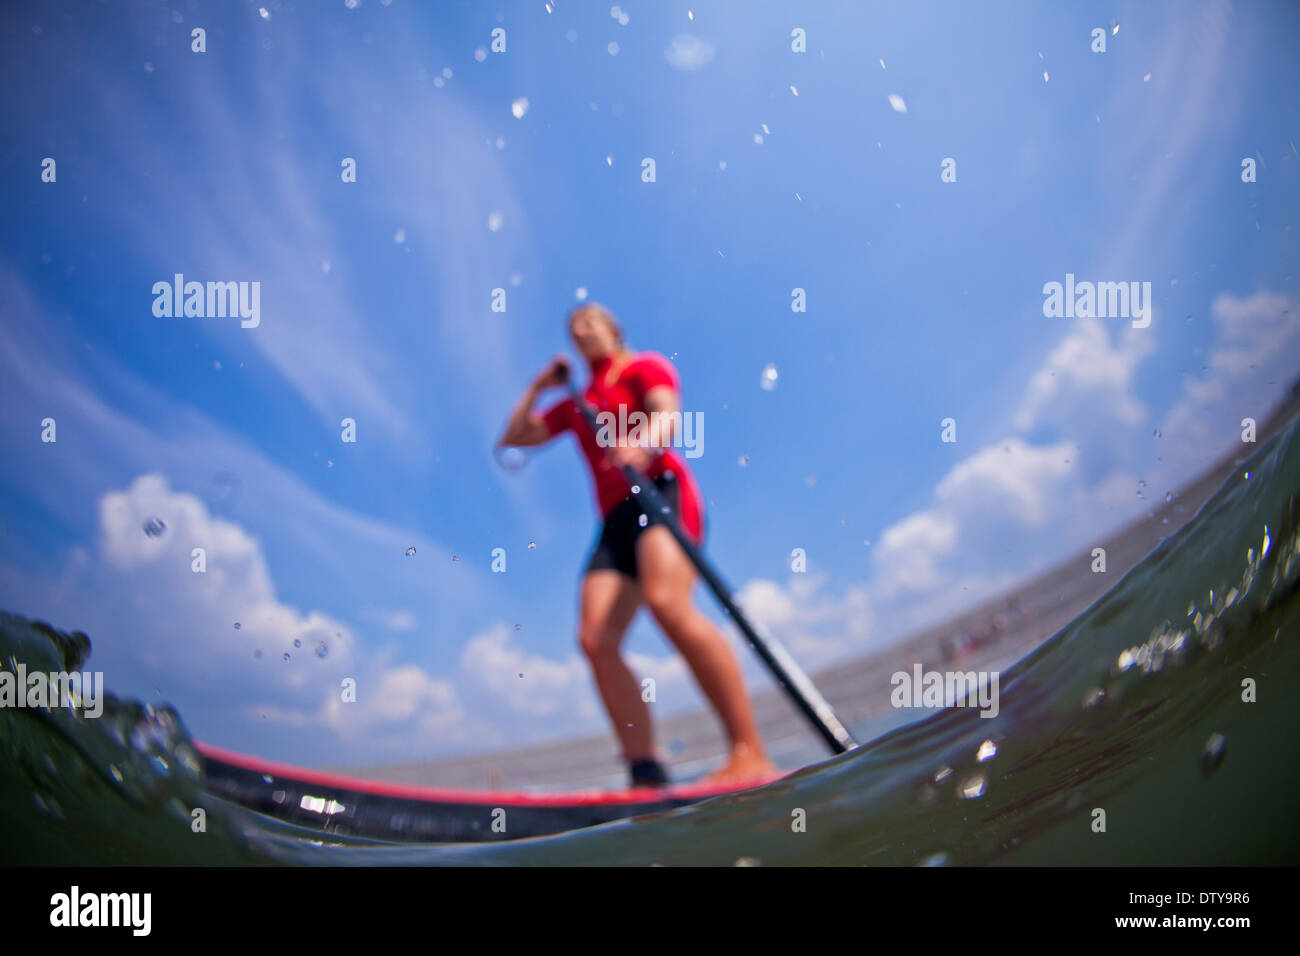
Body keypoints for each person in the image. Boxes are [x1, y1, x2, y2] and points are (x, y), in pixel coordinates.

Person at [498, 302, 776, 788]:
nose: (580, 332)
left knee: (666, 602)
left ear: (612, 329)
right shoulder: (575, 404)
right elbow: (513, 439)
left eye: (589, 323)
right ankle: (645, 770)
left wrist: (644, 443)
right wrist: (539, 388)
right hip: (614, 520)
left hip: (658, 489)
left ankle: (748, 751)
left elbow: (667, 413)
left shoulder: (645, 365)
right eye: (573, 329)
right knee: (594, 640)